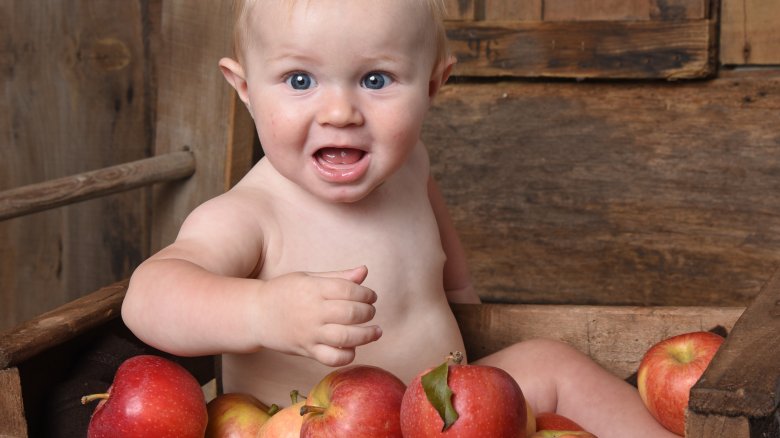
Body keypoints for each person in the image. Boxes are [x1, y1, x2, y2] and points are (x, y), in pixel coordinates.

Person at [121, 1, 675, 436]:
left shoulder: (410, 167)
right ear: (243, 88)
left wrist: (464, 296)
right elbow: (148, 296)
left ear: (434, 83)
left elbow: (440, 244)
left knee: (551, 363)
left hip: (449, 411)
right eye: (299, 80)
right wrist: (262, 310)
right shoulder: (252, 214)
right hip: (307, 427)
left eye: (376, 79)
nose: (340, 112)